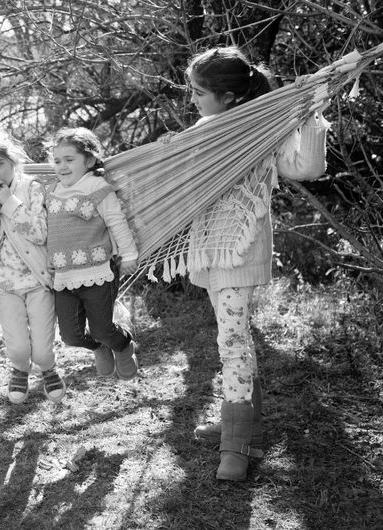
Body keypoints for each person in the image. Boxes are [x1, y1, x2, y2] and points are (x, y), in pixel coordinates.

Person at [183, 46, 329, 481]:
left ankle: (237, 444)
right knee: (233, 336)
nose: (191, 98)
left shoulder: (263, 128)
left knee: (232, 342)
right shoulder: (204, 125)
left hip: (241, 246)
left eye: (198, 92)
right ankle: (243, 425)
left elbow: (306, 168)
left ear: (228, 97)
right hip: (210, 246)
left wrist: (309, 116)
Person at [0, 130, 65, 404]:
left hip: (38, 281)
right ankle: (19, 370)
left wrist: (8, 201)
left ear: (13, 160)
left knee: (42, 348)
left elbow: (39, 233)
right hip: (5, 286)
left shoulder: (32, 188)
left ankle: (48, 367)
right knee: (17, 347)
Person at [45, 127, 140, 380]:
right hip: (64, 276)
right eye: (57, 161)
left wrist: (129, 256)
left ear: (88, 160)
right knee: (70, 336)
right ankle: (98, 347)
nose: (62, 166)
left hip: (98, 271)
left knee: (102, 329)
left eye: (69, 160)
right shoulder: (51, 191)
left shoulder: (97, 186)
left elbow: (116, 222)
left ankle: (122, 344)